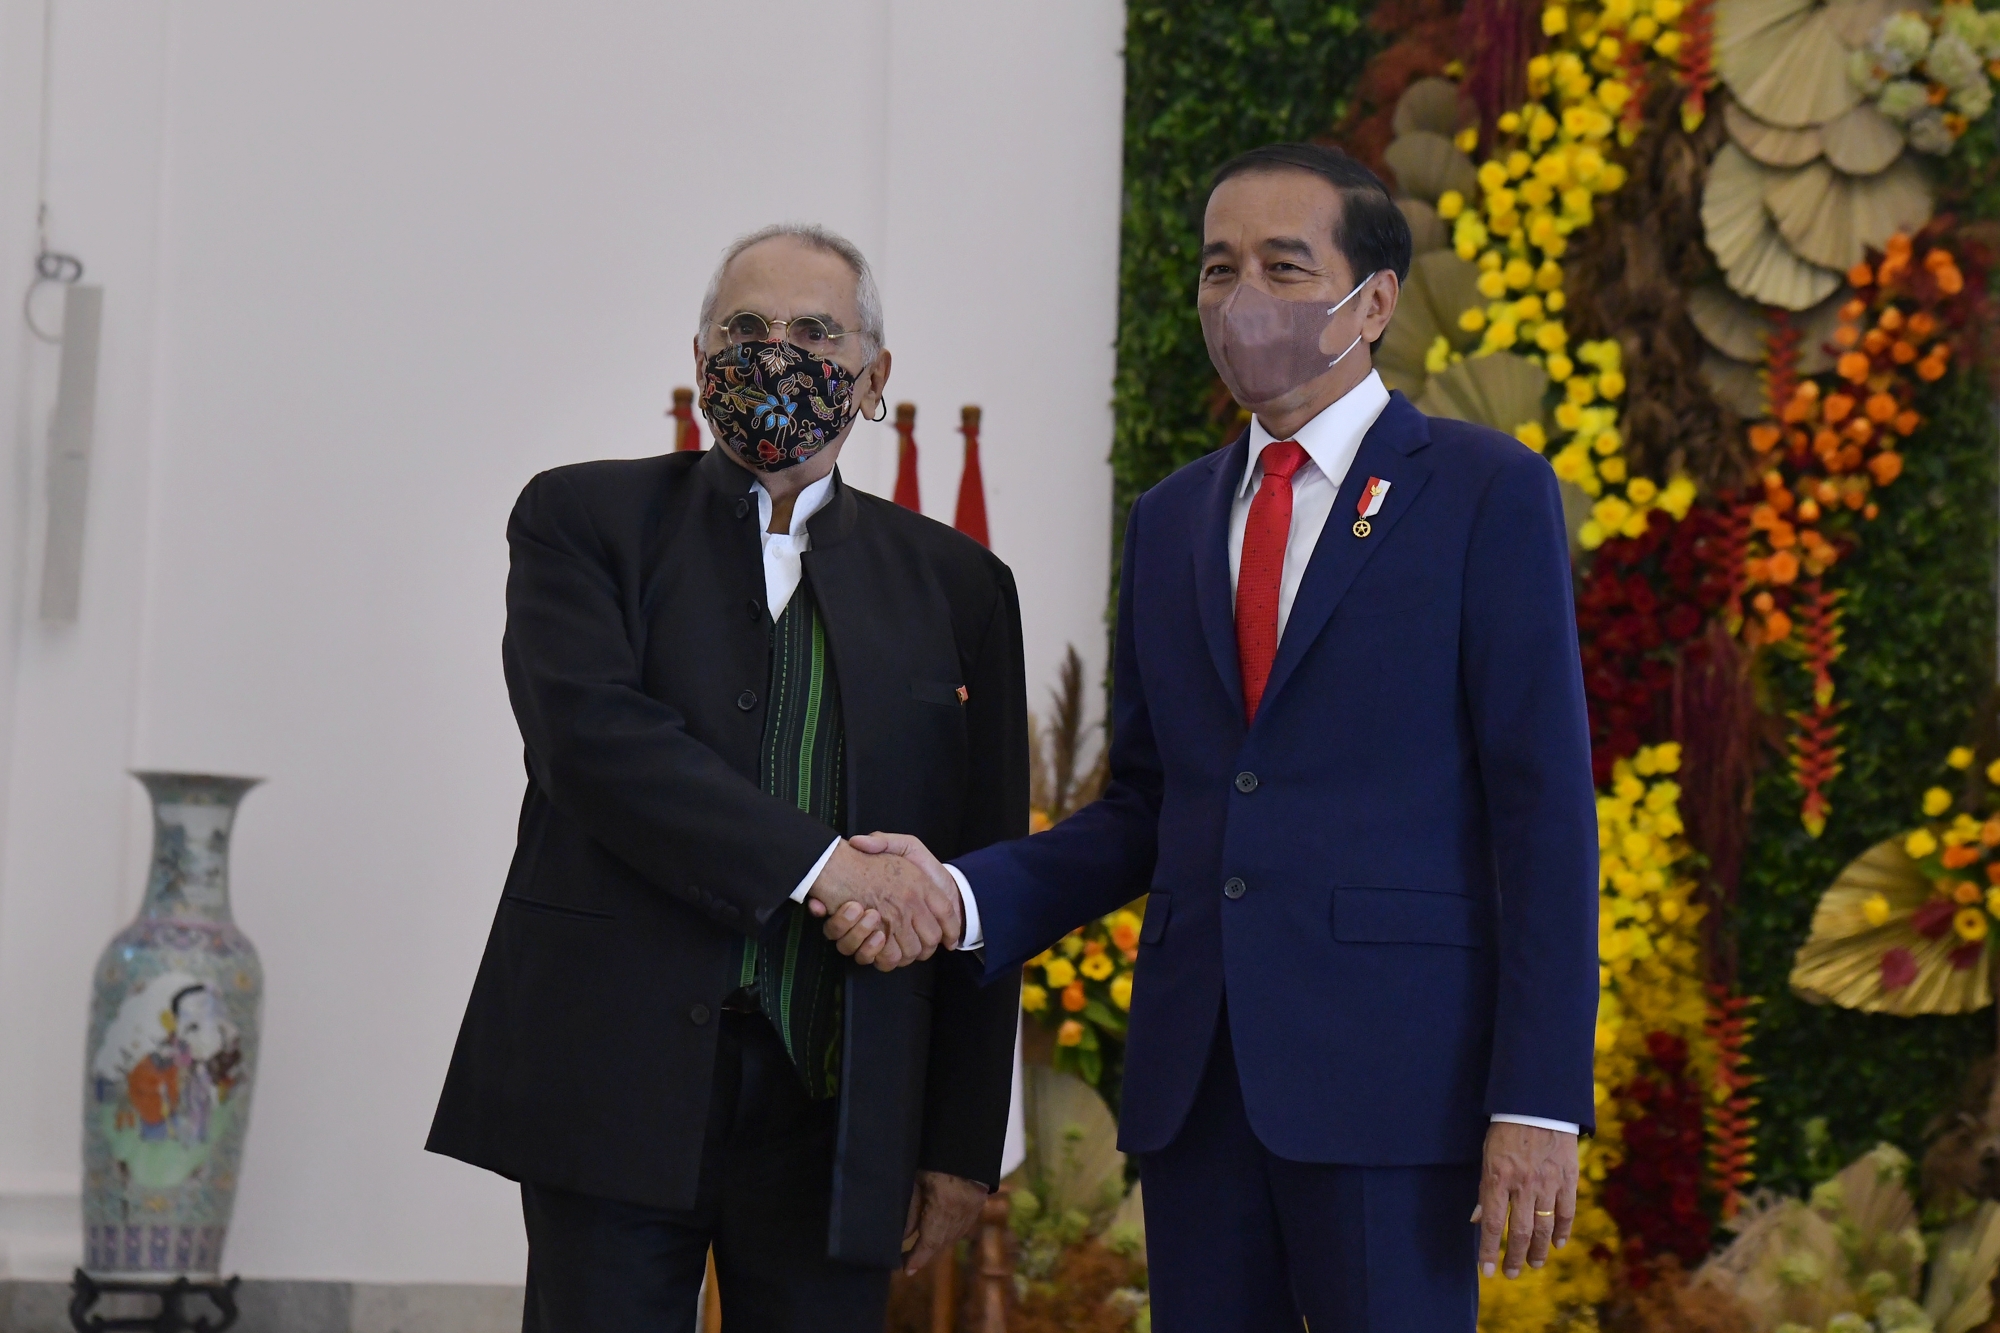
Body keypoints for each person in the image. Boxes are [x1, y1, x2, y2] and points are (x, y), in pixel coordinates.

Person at [819, 144, 1600, 1331]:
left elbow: (1542, 813)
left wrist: (1537, 1101)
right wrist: (959, 897)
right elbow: (1150, 804)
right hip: (1198, 1087)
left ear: (1372, 302)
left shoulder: (1484, 494)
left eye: (1285, 268)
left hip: (1391, 1088)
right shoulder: (1175, 514)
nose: (1242, 300)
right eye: (1217, 268)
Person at [427, 223, 1026, 1333]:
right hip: (613, 1073)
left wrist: (958, 1144)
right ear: (698, 359)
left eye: (813, 331)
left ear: (874, 374)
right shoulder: (581, 521)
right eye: (744, 330)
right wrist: (825, 871)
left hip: (839, 1100)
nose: (776, 352)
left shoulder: (958, 586)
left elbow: (979, 871)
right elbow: (593, 747)